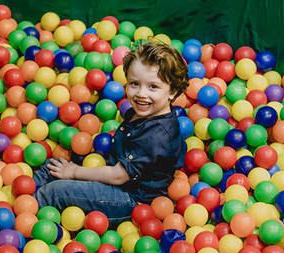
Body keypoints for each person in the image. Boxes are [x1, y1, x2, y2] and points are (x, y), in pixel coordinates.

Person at [31, 41, 188, 228]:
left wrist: (74, 172)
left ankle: (24, 220)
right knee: (51, 166)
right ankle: (21, 200)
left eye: (153, 87)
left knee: (54, 192)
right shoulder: (146, 112)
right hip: (115, 180)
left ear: (173, 91)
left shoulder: (156, 137)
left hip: (130, 201)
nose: (141, 94)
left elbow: (118, 176)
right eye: (134, 84)